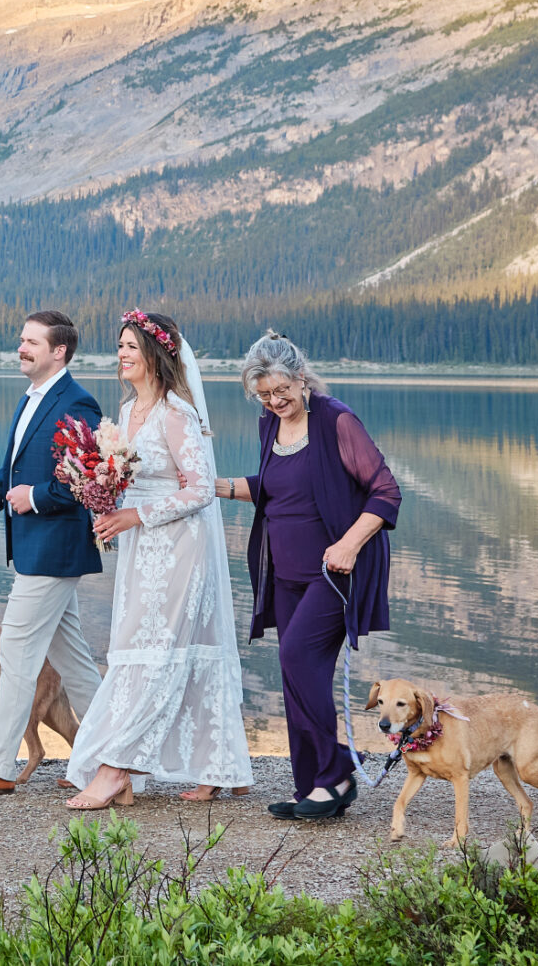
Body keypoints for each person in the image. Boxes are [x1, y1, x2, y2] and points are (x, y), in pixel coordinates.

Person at [63, 310, 255, 810]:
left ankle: (115, 768)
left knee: (158, 651)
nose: (122, 354)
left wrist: (135, 515)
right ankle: (214, 765)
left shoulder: (176, 413)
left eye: (131, 345)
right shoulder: (128, 411)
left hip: (178, 547)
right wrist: (103, 500)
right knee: (140, 648)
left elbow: (200, 490)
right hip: (139, 548)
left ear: (155, 354)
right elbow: (125, 478)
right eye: (120, 345)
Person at [214, 330, 400, 821]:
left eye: (282, 390)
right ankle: (316, 786)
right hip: (286, 573)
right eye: (264, 395)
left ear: (301, 378)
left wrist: (348, 545)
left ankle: (335, 773)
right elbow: (277, 487)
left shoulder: (336, 420)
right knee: (297, 674)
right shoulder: (269, 425)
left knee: (297, 656)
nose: (275, 402)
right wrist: (217, 487)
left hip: (334, 571)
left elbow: (385, 492)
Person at [0, 309, 106, 795]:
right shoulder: (31, 399)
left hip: (54, 550)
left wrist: (36, 497)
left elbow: (85, 481)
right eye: (22, 340)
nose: (21, 348)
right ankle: (113, 758)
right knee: (75, 664)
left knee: (16, 653)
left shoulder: (78, 403)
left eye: (32, 342)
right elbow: (6, 478)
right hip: (37, 550)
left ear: (59, 351)